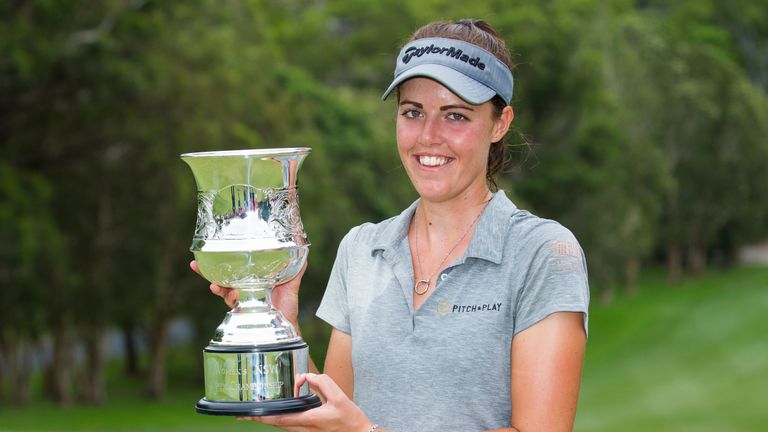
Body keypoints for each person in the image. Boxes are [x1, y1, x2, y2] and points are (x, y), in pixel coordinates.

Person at [193, 18, 589, 432]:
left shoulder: (544, 252)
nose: (428, 136)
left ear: (500, 122)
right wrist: (279, 322)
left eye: (455, 116)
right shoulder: (361, 249)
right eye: (412, 112)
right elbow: (334, 416)